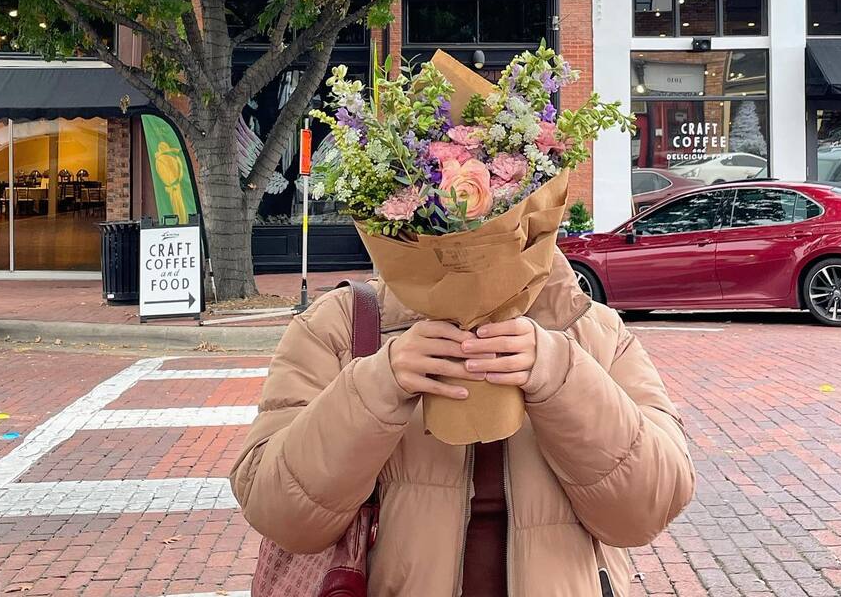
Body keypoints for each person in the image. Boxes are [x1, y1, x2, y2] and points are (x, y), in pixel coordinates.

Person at [231, 251, 695, 596]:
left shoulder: (595, 331)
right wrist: (379, 383)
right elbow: (279, 511)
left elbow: (649, 507)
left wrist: (561, 374)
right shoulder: (340, 328)